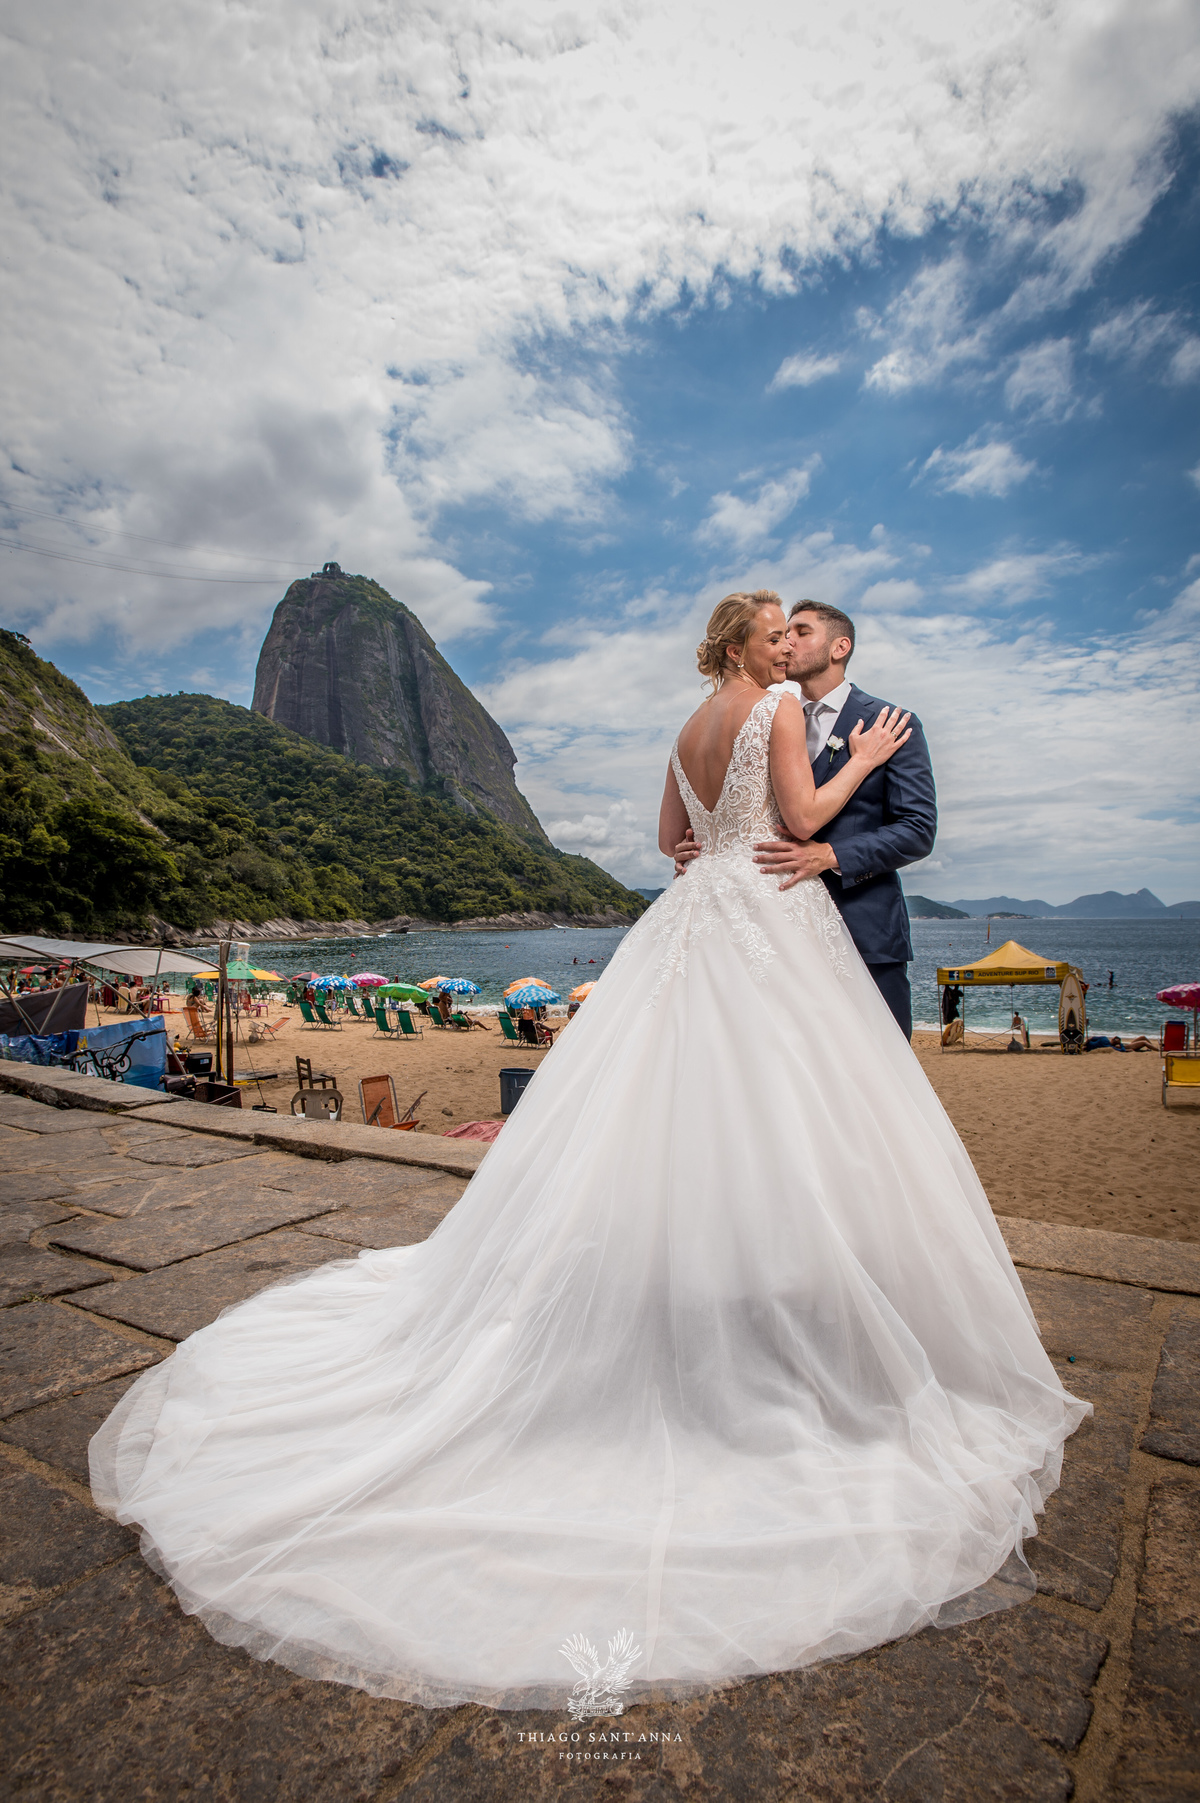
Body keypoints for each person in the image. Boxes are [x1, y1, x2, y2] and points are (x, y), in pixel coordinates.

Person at [91, 588, 1086, 1715]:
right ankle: (780, 1303)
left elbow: (673, 844)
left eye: (791, 629)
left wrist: (743, 837)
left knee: (689, 1112)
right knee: (786, 1117)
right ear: (746, 645)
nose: (782, 640)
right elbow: (805, 828)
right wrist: (860, 768)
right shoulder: (773, 713)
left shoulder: (685, 728)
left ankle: (726, 1283)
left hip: (698, 918)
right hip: (769, 913)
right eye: (771, 629)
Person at [674, 598, 936, 1038]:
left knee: (879, 1080)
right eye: (779, 635)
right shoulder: (768, 712)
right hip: (767, 934)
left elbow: (918, 829)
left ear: (839, 648)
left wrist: (831, 855)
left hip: (863, 931)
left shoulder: (890, 723)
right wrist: (698, 842)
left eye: (800, 632)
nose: (787, 643)